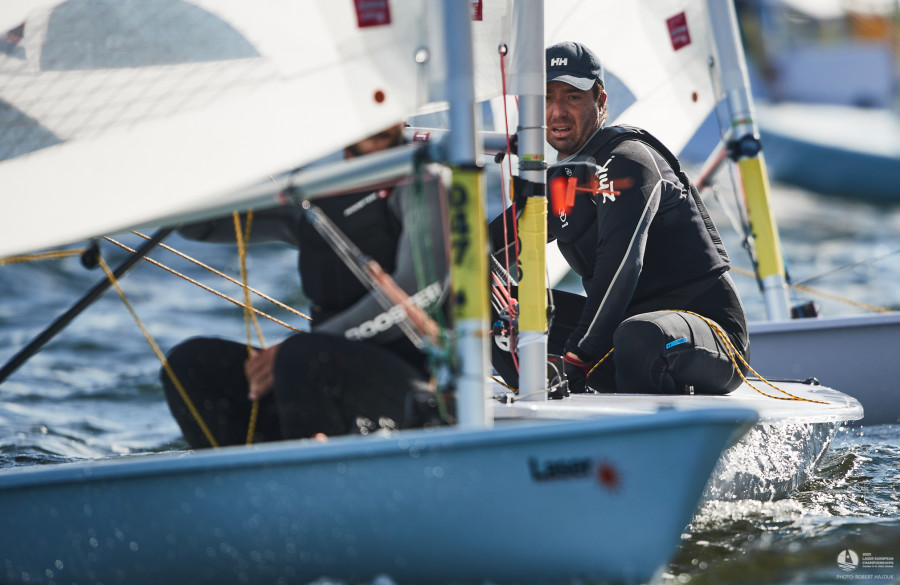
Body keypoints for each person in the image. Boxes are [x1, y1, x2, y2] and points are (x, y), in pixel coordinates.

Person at [161, 124, 452, 448]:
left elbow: (422, 289)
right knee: (191, 365)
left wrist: (311, 345)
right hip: (318, 376)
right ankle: (239, 474)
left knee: (301, 356)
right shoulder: (315, 188)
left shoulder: (421, 178)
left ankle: (313, 470)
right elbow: (197, 225)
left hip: (417, 385)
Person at [489, 41, 749, 395]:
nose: (557, 112)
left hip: (707, 336)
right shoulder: (561, 181)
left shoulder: (628, 161)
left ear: (601, 101)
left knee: (638, 336)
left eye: (572, 97)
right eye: (546, 98)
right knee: (486, 308)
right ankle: (540, 403)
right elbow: (483, 249)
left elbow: (621, 267)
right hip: (617, 339)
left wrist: (578, 355)